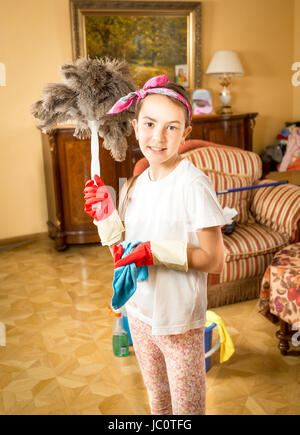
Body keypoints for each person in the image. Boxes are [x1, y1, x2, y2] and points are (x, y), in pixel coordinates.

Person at [83, 75, 226, 415]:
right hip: (140, 313)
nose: (158, 137)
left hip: (177, 320)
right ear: (135, 126)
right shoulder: (137, 183)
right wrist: (106, 216)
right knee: (157, 401)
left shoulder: (193, 185)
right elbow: (123, 251)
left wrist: (156, 252)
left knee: (186, 410)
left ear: (185, 134)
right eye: (149, 124)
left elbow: (215, 259)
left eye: (171, 127)